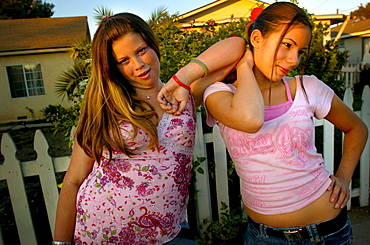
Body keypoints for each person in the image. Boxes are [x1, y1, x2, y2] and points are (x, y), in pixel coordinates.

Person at [161, 1, 368, 244]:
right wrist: (245, 66)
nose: (293, 60)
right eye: (287, 45)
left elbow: (357, 128)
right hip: (265, 238)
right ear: (256, 38)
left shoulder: (307, 87)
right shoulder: (219, 94)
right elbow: (250, 119)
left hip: (329, 232)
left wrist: (343, 177)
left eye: (300, 51)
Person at [52, 12, 246, 245]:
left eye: (141, 50)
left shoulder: (184, 95)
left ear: (152, 45)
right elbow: (73, 181)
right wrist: (60, 243)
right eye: (124, 61)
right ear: (113, 68)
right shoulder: (105, 107)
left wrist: (182, 80)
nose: (139, 65)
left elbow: (237, 46)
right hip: (99, 235)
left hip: (167, 235)